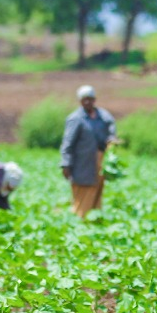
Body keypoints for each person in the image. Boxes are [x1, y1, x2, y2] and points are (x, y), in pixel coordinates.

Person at [60, 84, 116, 217]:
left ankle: (95, 218)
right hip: (82, 164)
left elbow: (111, 130)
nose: (87, 102)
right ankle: (80, 220)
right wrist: (65, 164)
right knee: (82, 190)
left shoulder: (103, 116)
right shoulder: (76, 119)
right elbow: (67, 143)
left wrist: (111, 139)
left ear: (94, 99)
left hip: (98, 163)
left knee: (97, 190)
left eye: (90, 99)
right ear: (80, 101)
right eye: (84, 99)